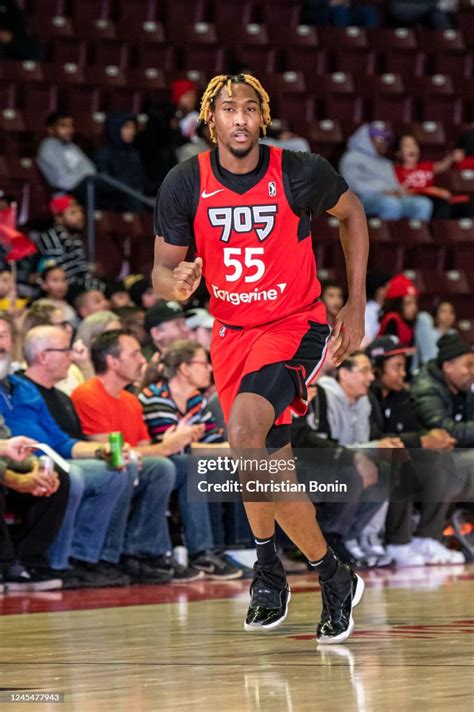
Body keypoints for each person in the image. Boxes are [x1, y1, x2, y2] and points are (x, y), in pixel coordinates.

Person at [152, 73, 370, 643]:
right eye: (230, 110)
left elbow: (354, 215)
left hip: (295, 325)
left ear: (262, 117)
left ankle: (270, 570)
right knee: (265, 461)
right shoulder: (185, 182)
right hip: (230, 334)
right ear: (212, 119)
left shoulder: (299, 170)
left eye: (251, 109)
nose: (241, 119)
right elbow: (160, 269)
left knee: (246, 433)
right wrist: (177, 284)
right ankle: (332, 573)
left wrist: (356, 300)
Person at [72, 330, 242, 581]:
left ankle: (202, 551)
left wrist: (165, 447)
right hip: (110, 466)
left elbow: (144, 447)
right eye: (135, 354)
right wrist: (166, 446)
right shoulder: (88, 394)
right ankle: (141, 551)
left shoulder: (131, 400)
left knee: (188, 465)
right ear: (112, 361)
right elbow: (111, 452)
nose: (143, 360)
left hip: (140, 464)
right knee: (164, 465)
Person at [366, 335, 463, 564]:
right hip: (367, 460)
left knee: (438, 459)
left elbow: (413, 433)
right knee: (400, 460)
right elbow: (374, 440)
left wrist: (433, 439)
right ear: (378, 368)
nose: (403, 373)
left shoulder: (402, 396)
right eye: (397, 367)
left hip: (392, 458)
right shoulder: (366, 397)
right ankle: (397, 542)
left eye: (404, 366)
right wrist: (421, 441)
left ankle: (427, 537)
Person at [340, 124, 433, 221]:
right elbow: (352, 186)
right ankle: (384, 235)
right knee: (390, 204)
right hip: (361, 200)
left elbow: (394, 184)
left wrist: (397, 191)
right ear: (367, 139)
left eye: (386, 140)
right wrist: (382, 191)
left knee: (423, 204)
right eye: (380, 139)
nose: (384, 143)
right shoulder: (351, 157)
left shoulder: (385, 163)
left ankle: (414, 235)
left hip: (389, 197)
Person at [394, 134, 466, 219]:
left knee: (466, 207)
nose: (412, 148)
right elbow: (399, 192)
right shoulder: (395, 170)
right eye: (406, 146)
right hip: (415, 200)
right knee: (441, 204)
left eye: (414, 145)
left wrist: (452, 157)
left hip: (434, 199)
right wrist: (429, 190)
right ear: (398, 153)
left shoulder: (425, 166)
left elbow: (441, 166)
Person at [29, 196, 92, 288]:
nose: (80, 216)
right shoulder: (50, 241)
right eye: (73, 213)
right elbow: (59, 278)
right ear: (59, 218)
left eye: (80, 211)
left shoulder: (75, 237)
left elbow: (83, 272)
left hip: (76, 286)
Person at [36, 112, 96, 200]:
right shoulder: (48, 147)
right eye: (63, 126)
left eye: (71, 126)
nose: (70, 130)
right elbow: (61, 180)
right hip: (61, 198)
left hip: (81, 193)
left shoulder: (72, 146)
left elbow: (91, 170)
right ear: (50, 129)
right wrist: (84, 179)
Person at [95, 112, 146, 212]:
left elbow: (140, 180)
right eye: (127, 127)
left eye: (133, 128)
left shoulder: (133, 153)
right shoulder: (104, 154)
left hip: (135, 201)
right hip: (113, 205)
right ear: (115, 128)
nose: (132, 132)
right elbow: (105, 182)